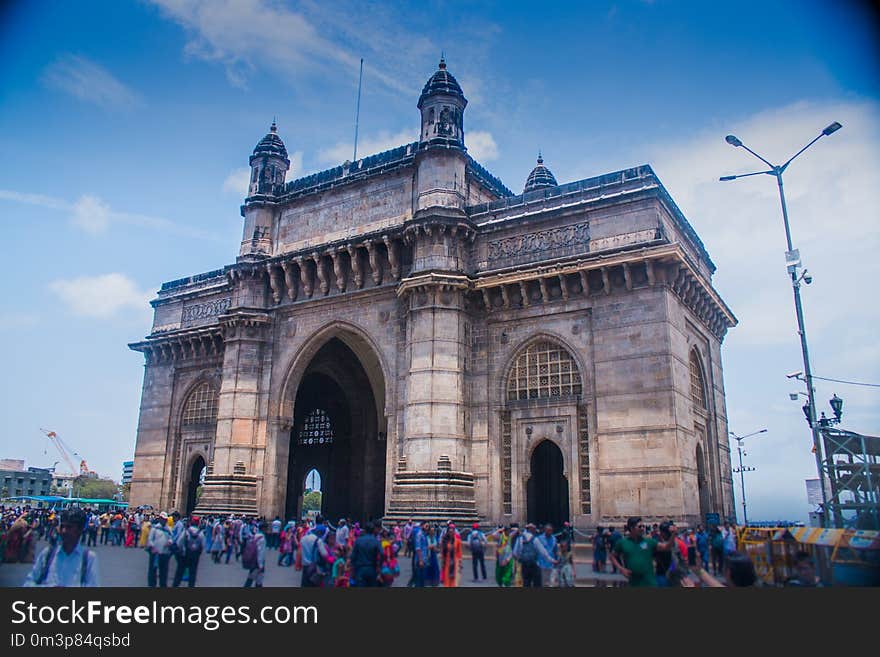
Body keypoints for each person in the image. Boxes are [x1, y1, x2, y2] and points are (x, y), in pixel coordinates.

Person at [24, 508, 99, 587]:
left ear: (80, 530)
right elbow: (28, 583)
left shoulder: (88, 559)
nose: (63, 531)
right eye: (62, 526)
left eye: (69, 528)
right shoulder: (48, 554)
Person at [609, 517, 677, 587]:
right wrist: (621, 569)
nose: (642, 528)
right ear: (631, 528)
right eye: (639, 526)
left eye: (643, 526)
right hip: (633, 583)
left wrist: (673, 534)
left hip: (650, 583)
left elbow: (666, 547)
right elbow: (612, 556)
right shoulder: (622, 543)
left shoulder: (649, 541)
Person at [514, 523, 555, 587]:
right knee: (537, 582)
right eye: (534, 529)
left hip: (524, 564)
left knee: (526, 582)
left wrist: (520, 560)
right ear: (531, 529)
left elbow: (515, 553)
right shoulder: (534, 539)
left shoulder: (519, 539)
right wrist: (551, 560)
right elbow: (543, 552)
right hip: (533, 564)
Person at [173, 515, 206, 587]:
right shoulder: (201, 534)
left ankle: (175, 585)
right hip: (195, 556)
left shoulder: (186, 531)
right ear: (198, 523)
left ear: (191, 522)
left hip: (185, 555)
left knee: (179, 573)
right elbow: (203, 545)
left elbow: (179, 543)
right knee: (192, 574)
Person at [350, 520, 382, 587]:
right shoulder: (375, 541)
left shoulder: (358, 541)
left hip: (360, 569)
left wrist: (352, 570)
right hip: (372, 569)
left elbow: (353, 557)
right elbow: (382, 554)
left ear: (364, 530)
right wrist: (379, 566)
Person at [299, 523, 331, 587]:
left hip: (305, 566)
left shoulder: (303, 538)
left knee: (305, 584)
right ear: (320, 532)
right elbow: (324, 554)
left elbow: (300, 551)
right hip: (314, 567)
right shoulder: (318, 541)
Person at [147, 514, 174, 587]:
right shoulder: (155, 528)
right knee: (153, 570)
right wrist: (152, 547)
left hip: (165, 553)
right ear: (160, 519)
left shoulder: (168, 529)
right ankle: (152, 584)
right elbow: (150, 539)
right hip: (155, 552)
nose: (164, 521)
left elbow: (172, 538)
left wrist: (170, 542)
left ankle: (163, 584)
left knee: (164, 571)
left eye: (165, 519)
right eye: (163, 519)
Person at [242, 521, 267, 587]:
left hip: (253, 560)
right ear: (264, 528)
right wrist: (261, 565)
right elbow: (260, 552)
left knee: (253, 579)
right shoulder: (262, 538)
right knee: (254, 579)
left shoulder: (255, 536)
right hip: (257, 562)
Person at [439, 522, 463, 587]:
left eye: (452, 532)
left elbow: (459, 552)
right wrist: (442, 561)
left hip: (455, 562)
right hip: (447, 561)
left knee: (454, 579)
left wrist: (460, 562)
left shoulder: (457, 540)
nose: (451, 533)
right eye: (450, 532)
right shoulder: (445, 540)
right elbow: (442, 552)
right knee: (447, 579)